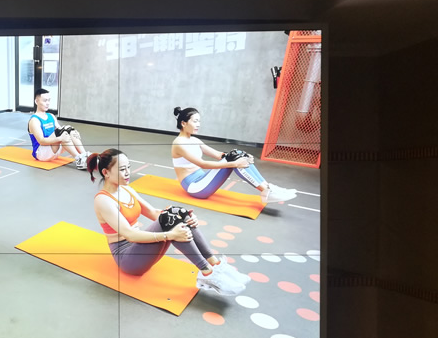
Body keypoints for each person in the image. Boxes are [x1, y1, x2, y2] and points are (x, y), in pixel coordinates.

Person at [89, 148, 250, 296]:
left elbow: (153, 213)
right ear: (106, 172)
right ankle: (207, 273)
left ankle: (215, 265)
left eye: (128, 168)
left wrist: (185, 217)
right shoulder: (103, 200)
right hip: (128, 259)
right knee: (170, 219)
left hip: (140, 247)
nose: (127, 173)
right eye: (122, 169)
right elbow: (130, 235)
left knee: (176, 213)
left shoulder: (127, 189)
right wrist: (169, 235)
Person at [171, 106, 297, 203]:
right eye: (195, 121)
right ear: (183, 123)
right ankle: (267, 192)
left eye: (199, 121)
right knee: (234, 159)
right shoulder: (179, 143)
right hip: (194, 187)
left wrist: (243, 156)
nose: (198, 124)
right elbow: (203, 164)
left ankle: (268, 188)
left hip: (203, 180)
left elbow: (219, 155)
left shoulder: (194, 140)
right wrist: (235, 163)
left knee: (236, 154)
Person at [28, 88, 90, 170]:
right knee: (63, 132)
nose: (47, 103)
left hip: (53, 149)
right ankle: (79, 158)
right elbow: (41, 141)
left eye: (49, 100)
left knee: (68, 130)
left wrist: (73, 132)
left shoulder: (51, 116)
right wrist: (60, 138)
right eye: (45, 101)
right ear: (36, 101)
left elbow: (62, 130)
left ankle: (85, 156)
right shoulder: (34, 120)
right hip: (42, 153)